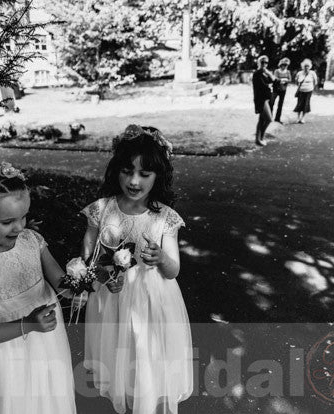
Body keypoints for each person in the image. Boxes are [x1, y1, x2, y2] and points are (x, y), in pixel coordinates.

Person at [0, 162, 81, 414]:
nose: (19, 227)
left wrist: (85, 282)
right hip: (6, 355)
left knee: (49, 398)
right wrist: (28, 325)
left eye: (23, 217)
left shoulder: (31, 240)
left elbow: (63, 286)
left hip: (48, 341)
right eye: (8, 221)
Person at [81, 125, 193, 414]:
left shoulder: (164, 217)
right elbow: (89, 259)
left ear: (158, 176)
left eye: (145, 174)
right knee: (119, 356)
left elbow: (173, 270)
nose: (134, 180)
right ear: (115, 170)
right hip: (113, 300)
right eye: (127, 171)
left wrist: (160, 259)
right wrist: (105, 278)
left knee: (146, 359)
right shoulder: (102, 210)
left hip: (150, 301)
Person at [252, 55, 275, 146]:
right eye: (262, 62)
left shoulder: (264, 73)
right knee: (269, 119)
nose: (264, 64)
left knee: (262, 119)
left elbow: (273, 80)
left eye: (266, 62)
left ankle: (259, 138)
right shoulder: (257, 73)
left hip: (266, 99)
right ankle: (260, 137)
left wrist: (268, 73)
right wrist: (269, 86)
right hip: (261, 99)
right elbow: (263, 86)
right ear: (259, 63)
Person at [293, 58, 318, 124]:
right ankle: (298, 118)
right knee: (299, 104)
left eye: (308, 66)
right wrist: (299, 86)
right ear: (303, 67)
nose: (306, 67)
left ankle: (303, 118)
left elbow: (315, 81)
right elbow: (296, 81)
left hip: (309, 91)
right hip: (301, 91)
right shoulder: (299, 73)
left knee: (306, 104)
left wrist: (312, 87)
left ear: (310, 67)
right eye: (305, 66)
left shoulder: (312, 73)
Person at [270, 57, 292, 124]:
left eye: (286, 65)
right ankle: (269, 117)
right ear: (280, 65)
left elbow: (290, 79)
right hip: (276, 89)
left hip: (283, 89)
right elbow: (275, 78)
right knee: (271, 103)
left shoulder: (288, 72)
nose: (284, 66)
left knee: (280, 104)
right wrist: (282, 80)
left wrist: (285, 80)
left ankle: (277, 118)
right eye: (283, 65)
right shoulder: (277, 71)